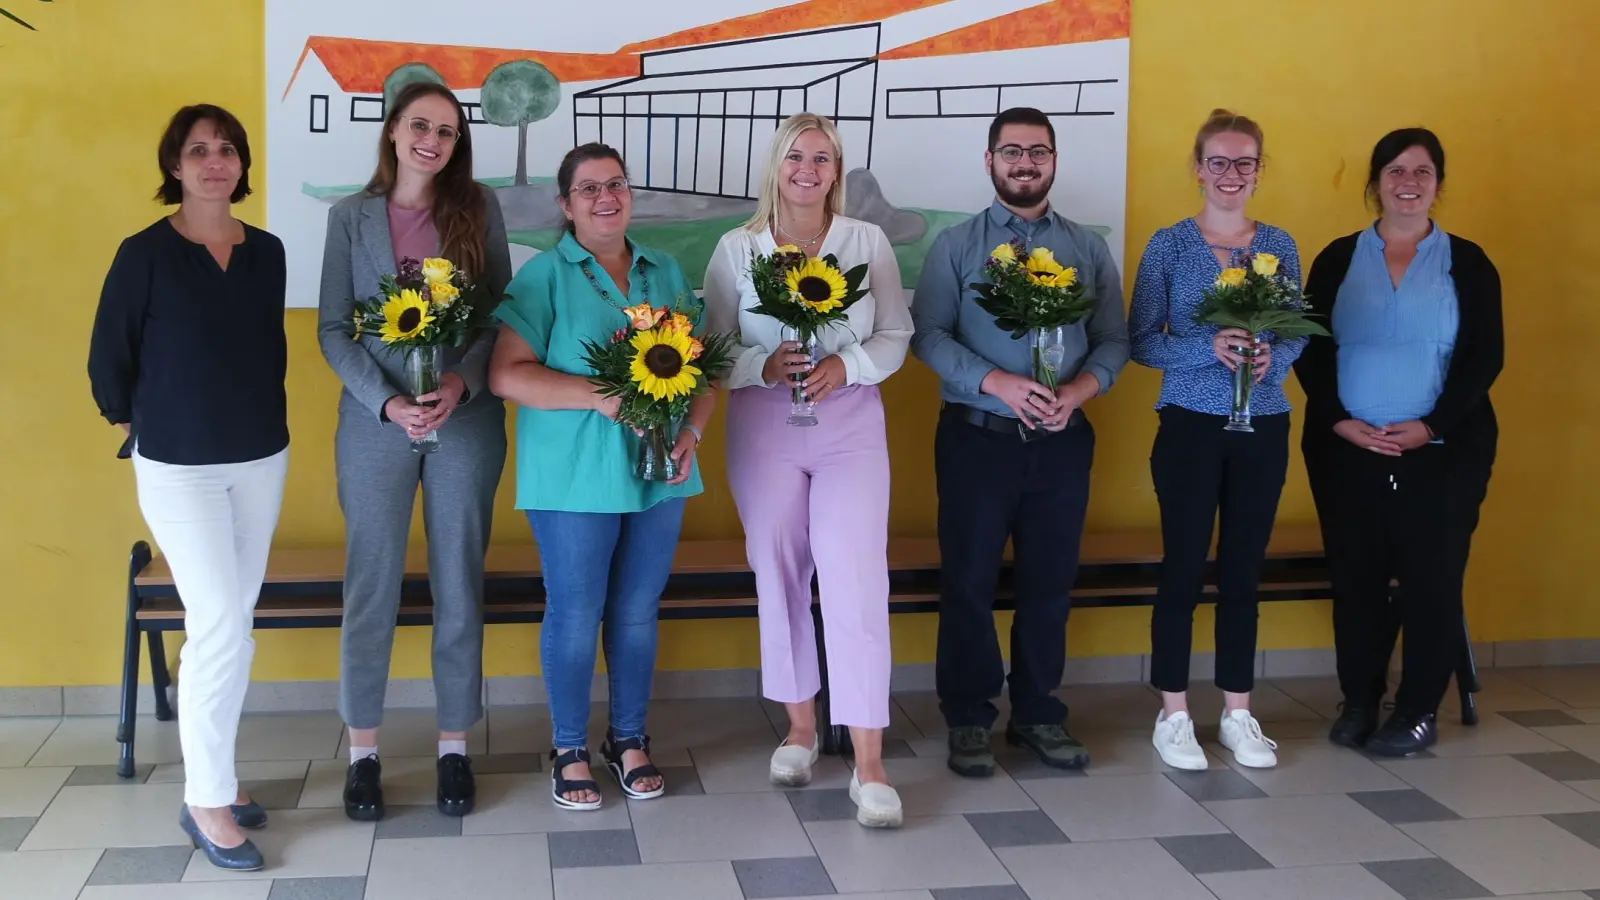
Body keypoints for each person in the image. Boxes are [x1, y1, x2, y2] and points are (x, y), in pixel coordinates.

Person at [88, 104, 288, 871]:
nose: (215, 162)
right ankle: (206, 802)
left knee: (231, 625)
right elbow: (111, 357)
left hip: (259, 458)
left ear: (241, 165)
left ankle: (219, 777)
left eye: (227, 149)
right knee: (220, 629)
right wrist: (131, 420)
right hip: (178, 467)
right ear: (174, 165)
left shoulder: (265, 252)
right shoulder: (143, 253)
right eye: (199, 150)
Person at [488, 142, 715, 809]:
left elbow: (704, 368)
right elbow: (506, 374)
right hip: (573, 475)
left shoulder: (666, 269)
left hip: (659, 470)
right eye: (588, 189)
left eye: (615, 184)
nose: (605, 197)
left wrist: (694, 434)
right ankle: (566, 745)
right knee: (577, 611)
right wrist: (599, 394)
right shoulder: (545, 276)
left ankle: (628, 736)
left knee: (638, 612)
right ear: (565, 205)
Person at [703, 113, 912, 827]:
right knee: (779, 570)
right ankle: (800, 728)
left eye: (823, 158)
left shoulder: (866, 242)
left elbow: (894, 334)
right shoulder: (738, 249)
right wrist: (761, 364)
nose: (808, 168)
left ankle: (870, 759)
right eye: (797, 155)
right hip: (765, 427)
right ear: (776, 165)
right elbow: (713, 345)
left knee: (855, 578)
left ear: (837, 170)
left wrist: (844, 364)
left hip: (850, 423)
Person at [910, 106, 1129, 778]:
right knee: (970, 581)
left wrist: (1079, 391)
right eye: (1012, 151)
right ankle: (970, 718)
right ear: (990, 162)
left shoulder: (1086, 249)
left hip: (1064, 441)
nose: (1025, 162)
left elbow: (1116, 341)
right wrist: (998, 382)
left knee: (1049, 583)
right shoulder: (957, 245)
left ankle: (1038, 712)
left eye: (1038, 151)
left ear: (1054, 162)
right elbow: (929, 336)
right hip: (978, 439)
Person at [316, 82, 512, 821]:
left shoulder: (478, 209)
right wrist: (387, 401)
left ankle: (453, 747)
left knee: (458, 578)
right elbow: (334, 328)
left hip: (464, 421)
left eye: (449, 131)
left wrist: (459, 384)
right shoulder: (350, 219)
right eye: (422, 125)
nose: (434, 139)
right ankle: (363, 754)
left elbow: (500, 316)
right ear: (394, 131)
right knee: (372, 584)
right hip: (375, 425)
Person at [1294, 128, 1502, 757]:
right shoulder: (1336, 258)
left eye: (1423, 171)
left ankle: (1416, 710)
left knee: (1431, 579)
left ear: (1438, 183)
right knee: (1355, 580)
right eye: (1395, 170)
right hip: (1346, 450)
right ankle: (1359, 701)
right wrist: (1336, 420)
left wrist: (1432, 426)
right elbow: (1307, 346)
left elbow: (1485, 356)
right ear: (1375, 182)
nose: (1408, 182)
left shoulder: (1467, 261)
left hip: (1443, 452)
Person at [1128, 109, 1305, 771]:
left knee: (1242, 572)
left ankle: (1237, 711)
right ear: (1198, 168)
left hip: (1264, 425)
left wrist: (1272, 360)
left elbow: (1295, 329)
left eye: (1245, 162)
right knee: (1183, 569)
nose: (1231, 174)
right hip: (1190, 427)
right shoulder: (1170, 246)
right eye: (1220, 161)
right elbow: (1142, 341)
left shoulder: (1279, 244)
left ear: (1259, 171)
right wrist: (1210, 345)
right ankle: (1173, 713)